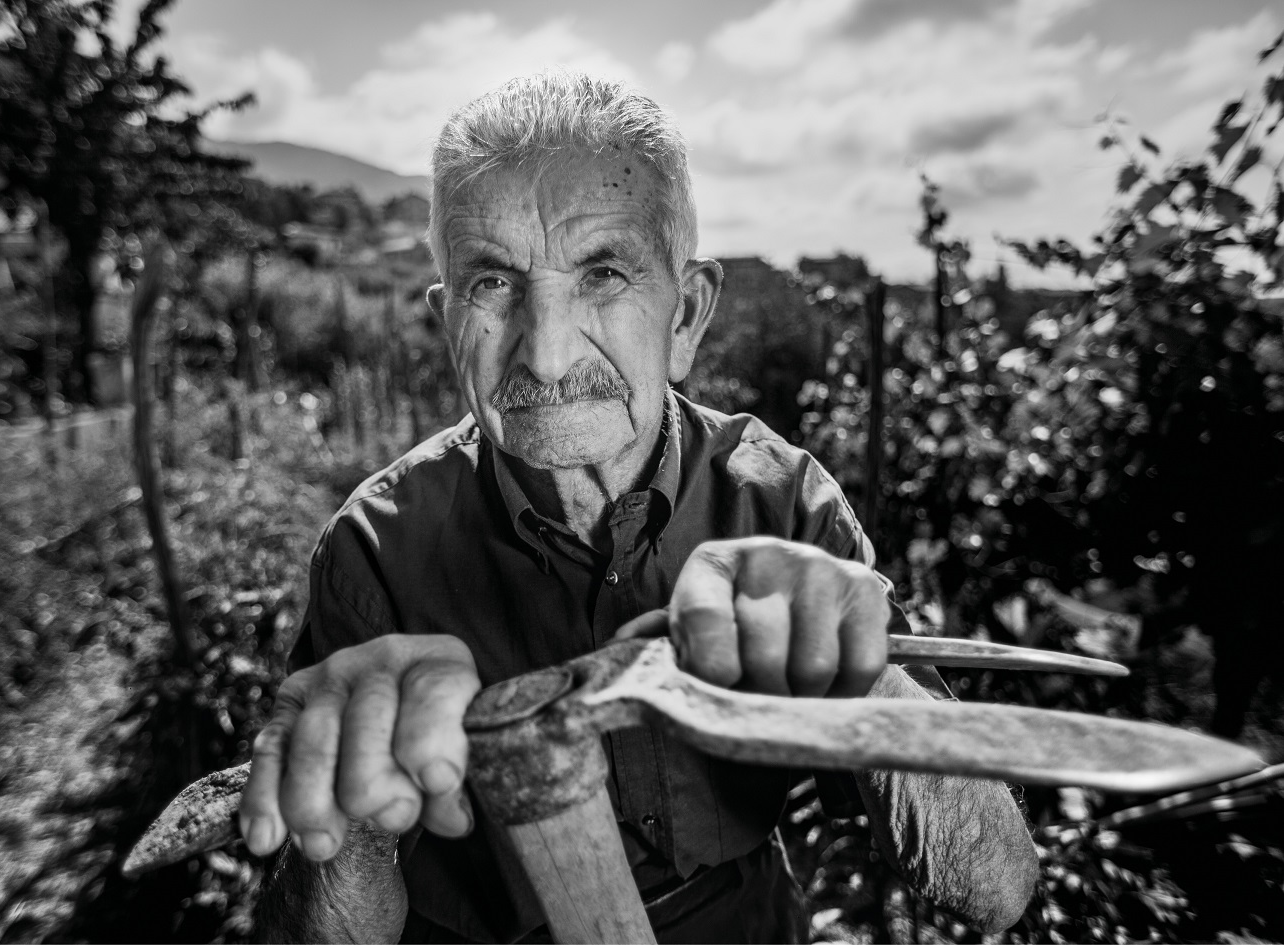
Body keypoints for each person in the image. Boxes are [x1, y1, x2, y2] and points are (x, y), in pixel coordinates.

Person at [238, 71, 1039, 943]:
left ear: (686, 314)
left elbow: (993, 891)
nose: (543, 358)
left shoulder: (776, 500)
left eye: (604, 274)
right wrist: (353, 807)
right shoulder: (376, 551)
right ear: (444, 319)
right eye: (493, 285)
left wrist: (870, 677)